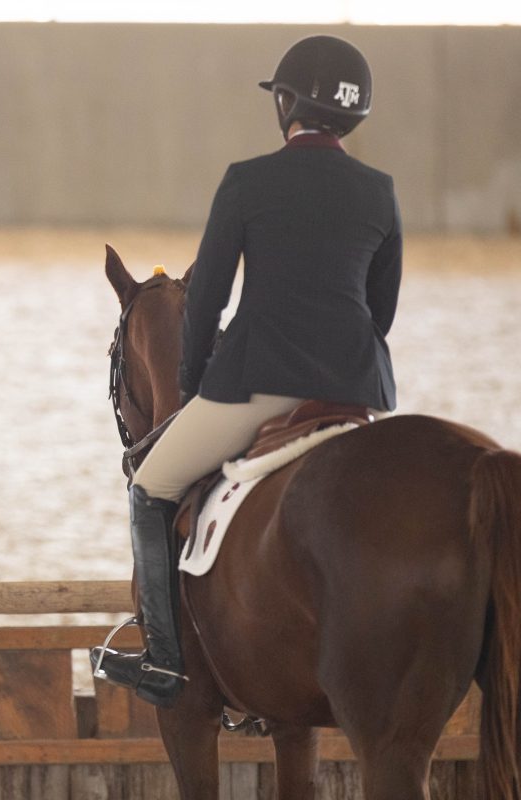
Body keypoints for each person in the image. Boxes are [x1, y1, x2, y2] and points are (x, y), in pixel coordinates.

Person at [90, 35, 402, 708]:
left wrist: (200, 380)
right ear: (353, 118)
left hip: (258, 386)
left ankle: (167, 663)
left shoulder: (248, 181)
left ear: (285, 104)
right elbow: (383, 312)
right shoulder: (379, 192)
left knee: (150, 486)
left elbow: (204, 304)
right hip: (354, 395)